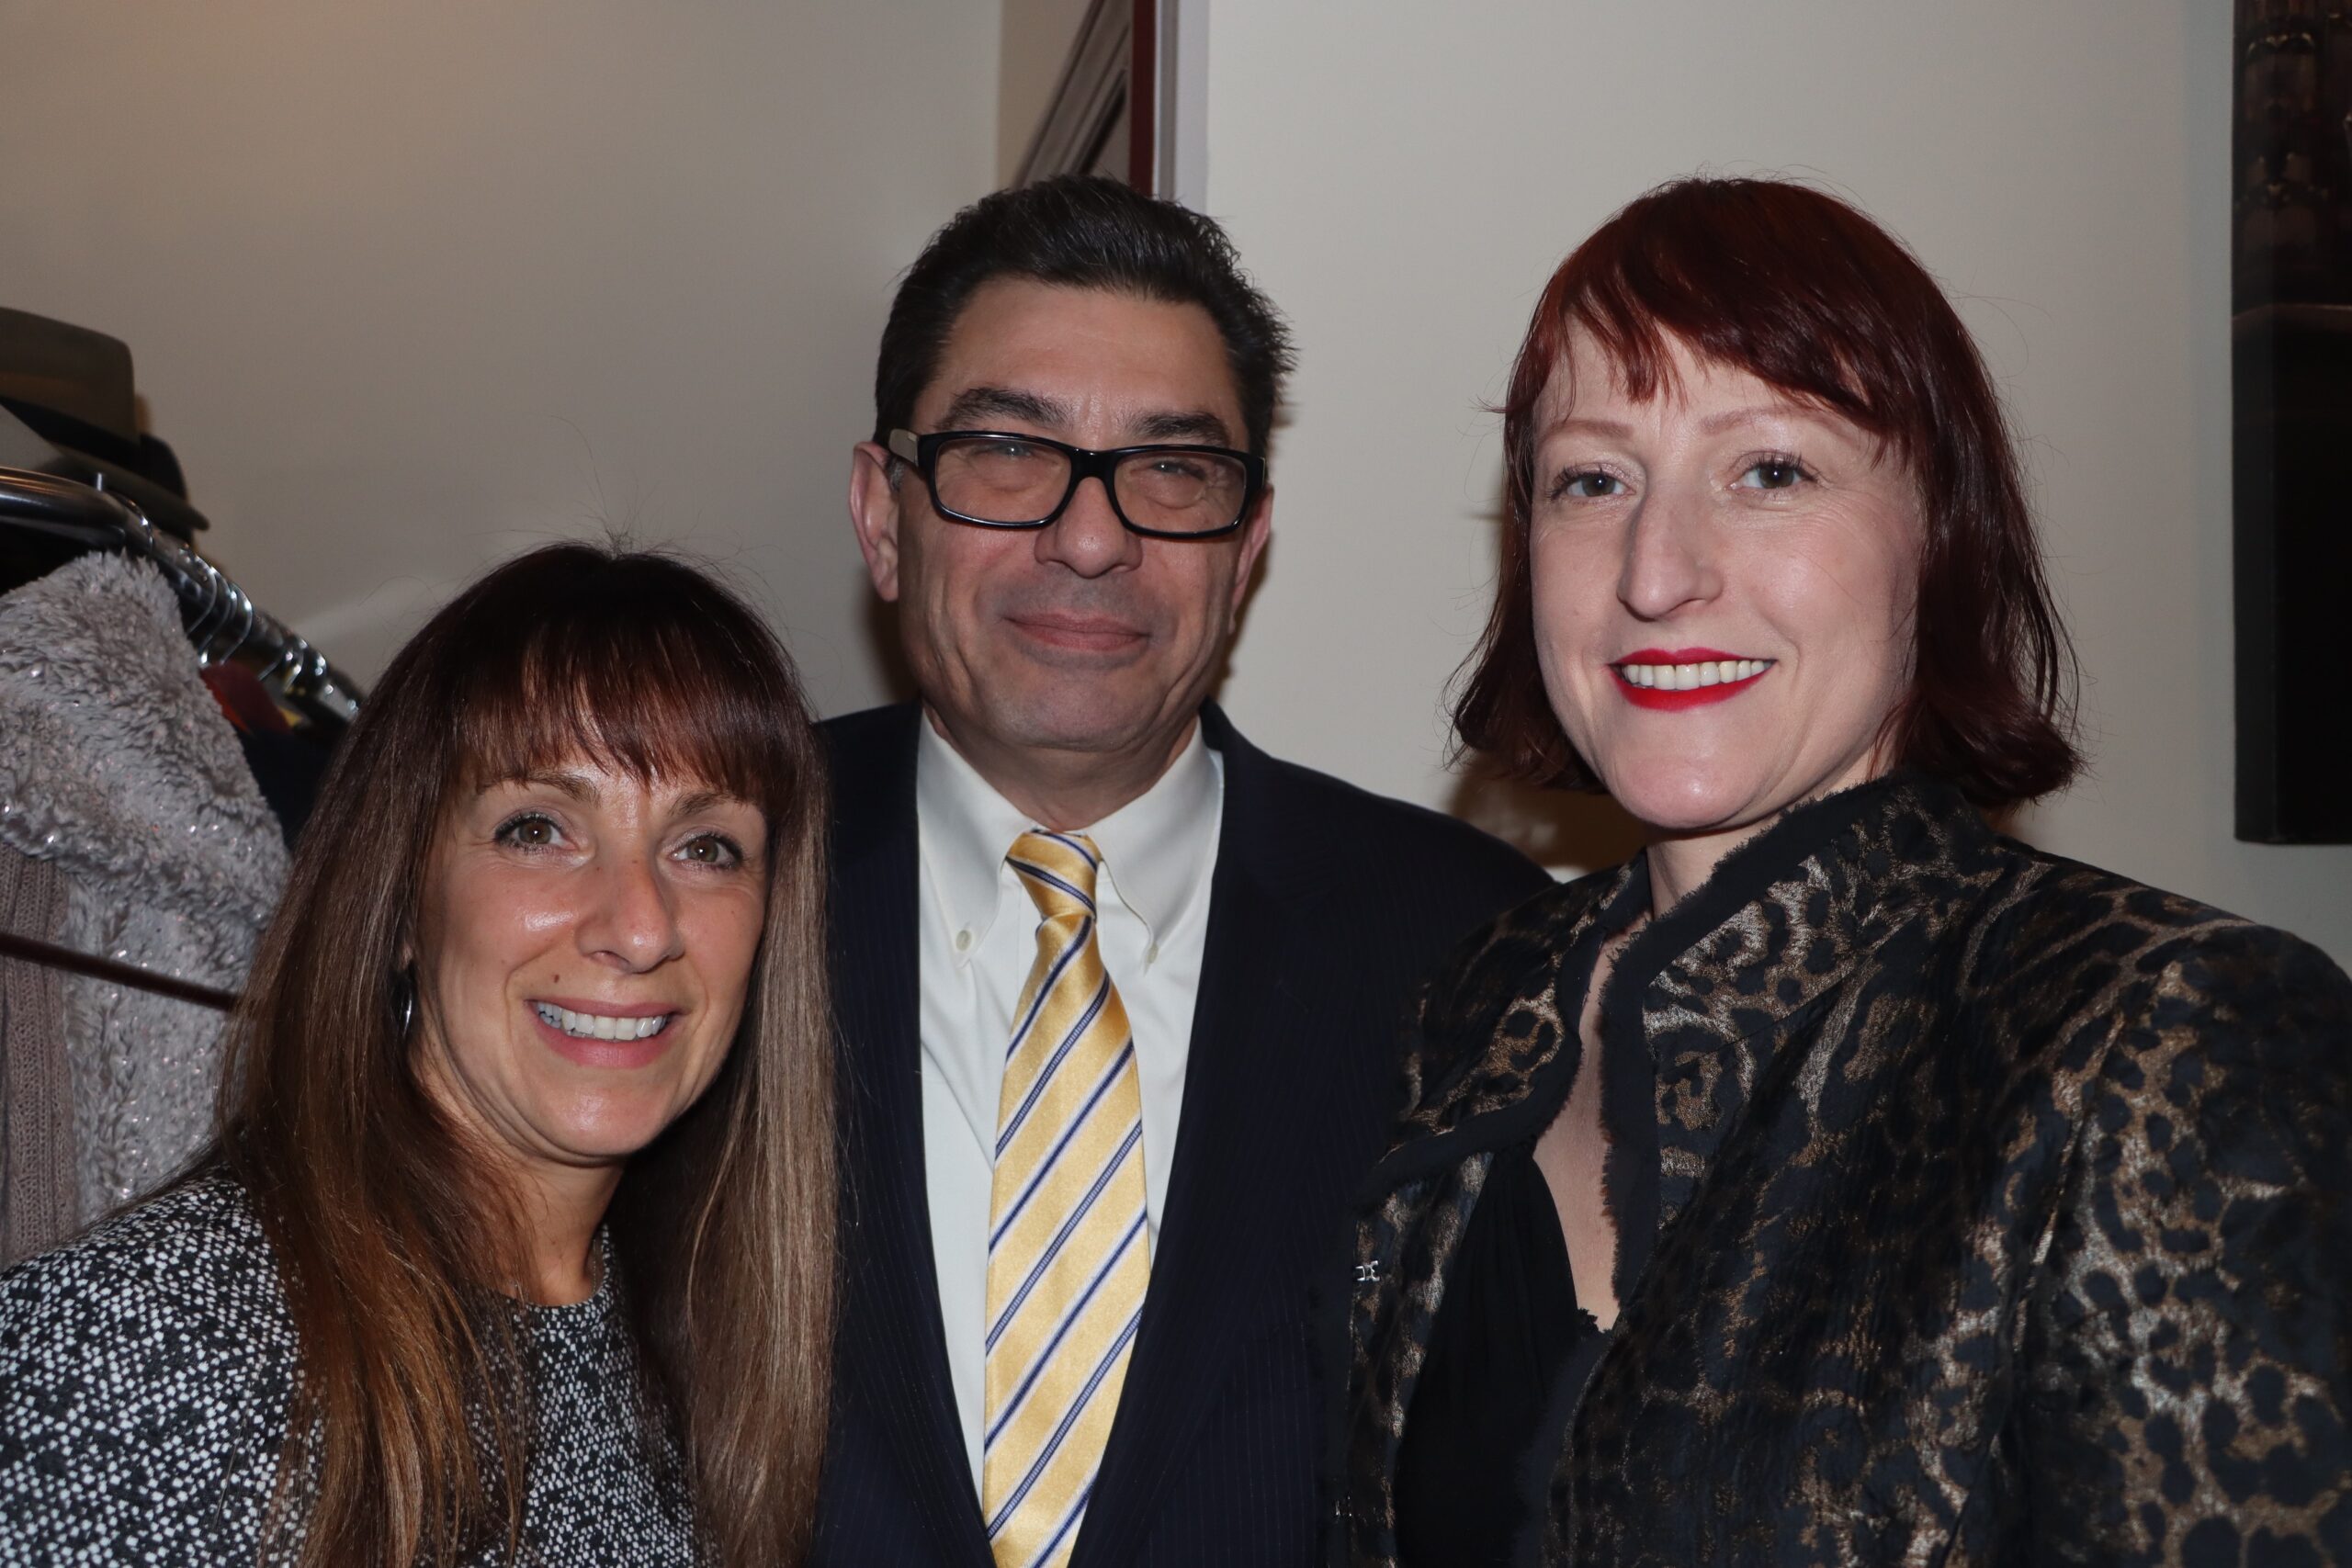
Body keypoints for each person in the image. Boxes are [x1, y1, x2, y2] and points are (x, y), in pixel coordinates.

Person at [1333, 177, 2352, 1567]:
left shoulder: (2161, 1036)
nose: (1656, 569)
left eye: (1770, 470)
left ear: (1938, 536)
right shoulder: (1479, 1003)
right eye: (1593, 478)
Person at [816, 174, 1550, 1568]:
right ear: (881, 512)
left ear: (1246, 545)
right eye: (1006, 450)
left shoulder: (1472, 947)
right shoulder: (701, 879)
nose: (1090, 538)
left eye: (1173, 470)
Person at [0, 544, 836, 1567]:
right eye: (539, 828)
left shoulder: (694, 1368)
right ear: (401, 901)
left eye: (707, 847)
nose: (640, 924)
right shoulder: (141, 1346)